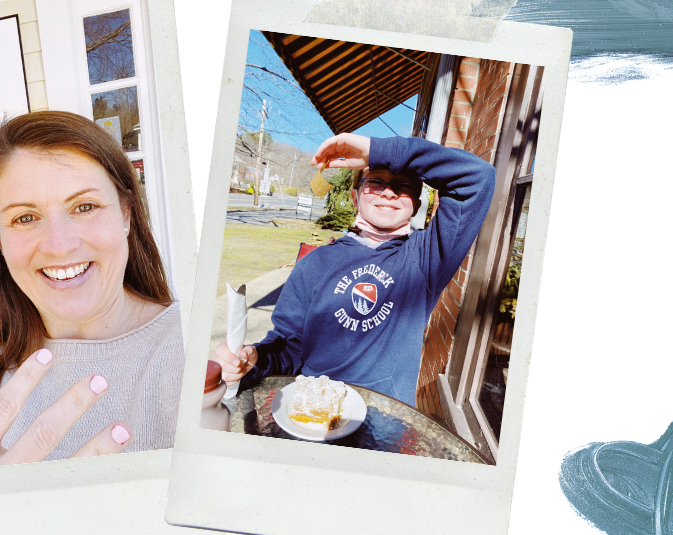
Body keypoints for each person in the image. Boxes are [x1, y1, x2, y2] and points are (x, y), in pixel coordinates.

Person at [0, 111, 184, 476]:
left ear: (126, 213)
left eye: (84, 207)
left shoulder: (194, 351)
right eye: (25, 218)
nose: (59, 246)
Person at [211, 133, 496, 406]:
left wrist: (379, 152)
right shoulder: (314, 264)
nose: (389, 192)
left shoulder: (426, 258)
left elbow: (476, 177)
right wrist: (253, 358)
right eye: (376, 182)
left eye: (403, 185)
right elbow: (290, 347)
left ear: (416, 205)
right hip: (315, 411)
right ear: (356, 197)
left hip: (383, 421)